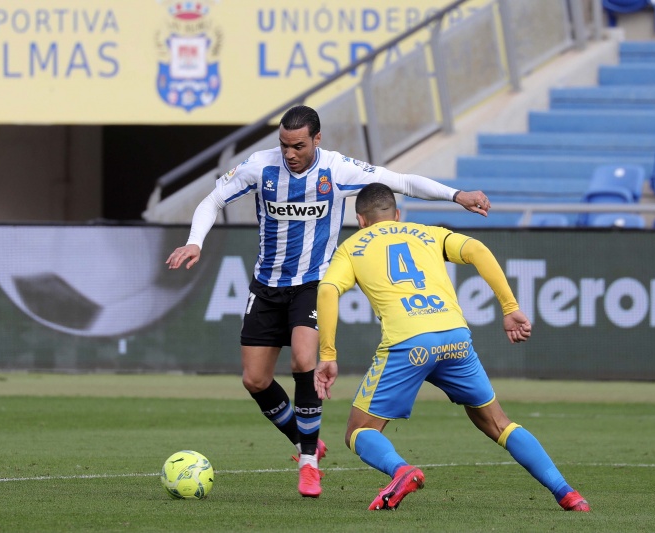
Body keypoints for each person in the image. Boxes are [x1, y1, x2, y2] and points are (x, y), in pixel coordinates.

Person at [165, 105, 490, 498]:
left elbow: (402, 181)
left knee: (304, 360)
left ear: (317, 139)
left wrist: (457, 195)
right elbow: (212, 200)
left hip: (312, 284)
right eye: (284, 145)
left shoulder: (337, 169)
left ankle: (309, 463)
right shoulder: (259, 167)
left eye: (298, 146)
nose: (289, 154)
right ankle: (307, 442)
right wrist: (195, 242)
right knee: (255, 380)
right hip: (266, 285)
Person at [314, 182, 590, 512]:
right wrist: (510, 307)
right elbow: (477, 250)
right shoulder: (429, 233)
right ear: (397, 215)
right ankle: (568, 493)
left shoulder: (352, 246)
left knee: (358, 431)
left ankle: (402, 471)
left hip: (409, 343)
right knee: (498, 423)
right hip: (455, 337)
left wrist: (328, 354)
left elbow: (327, 290)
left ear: (361, 220)